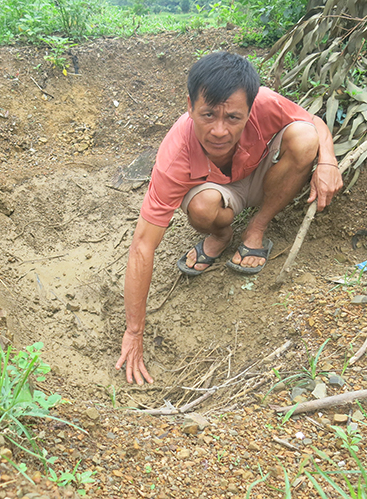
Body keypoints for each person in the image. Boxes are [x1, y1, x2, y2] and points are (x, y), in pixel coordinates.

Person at [115, 51, 343, 385]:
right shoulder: (174, 154)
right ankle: (221, 235)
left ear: (250, 109)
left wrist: (328, 162)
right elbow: (142, 246)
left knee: (306, 138)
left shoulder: (264, 102)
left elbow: (316, 124)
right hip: (219, 193)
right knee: (202, 208)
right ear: (190, 106)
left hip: (262, 174)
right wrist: (134, 332)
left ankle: (257, 227)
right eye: (208, 115)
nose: (219, 130)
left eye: (233, 118)